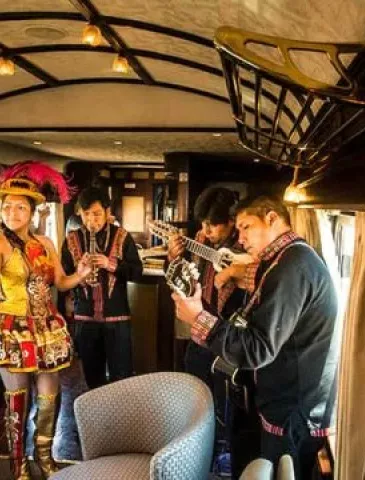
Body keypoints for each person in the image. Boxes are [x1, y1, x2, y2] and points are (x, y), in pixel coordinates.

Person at [172, 195, 339, 480]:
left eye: (246, 226)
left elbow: (258, 349)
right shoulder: (283, 260)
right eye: (238, 230)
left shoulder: (292, 267)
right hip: (287, 401)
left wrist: (198, 318)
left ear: (272, 218)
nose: (241, 237)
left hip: (293, 411)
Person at [0, 161, 92, 480]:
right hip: (13, 329)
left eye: (20, 207)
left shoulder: (45, 243)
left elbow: (61, 282)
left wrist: (79, 274)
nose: (12, 212)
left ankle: (45, 457)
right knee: (17, 402)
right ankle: (18, 464)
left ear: (32, 212)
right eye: (7, 206)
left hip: (47, 327)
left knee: (49, 397)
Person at [61, 187, 143, 390]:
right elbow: (62, 279)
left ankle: (121, 419)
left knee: (121, 375)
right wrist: (80, 277)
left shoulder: (123, 236)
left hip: (117, 317)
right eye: (86, 214)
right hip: (85, 318)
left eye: (97, 214)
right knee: (92, 377)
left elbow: (137, 272)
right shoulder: (71, 239)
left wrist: (110, 264)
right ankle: (98, 420)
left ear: (108, 212)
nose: (91, 220)